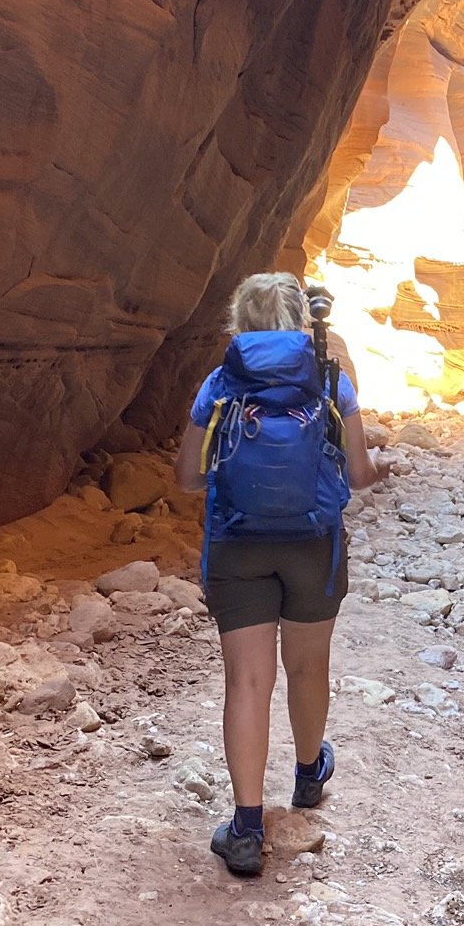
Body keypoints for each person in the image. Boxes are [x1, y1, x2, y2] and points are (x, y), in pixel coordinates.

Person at [175, 273, 390, 877]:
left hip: (237, 545)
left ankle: (245, 830)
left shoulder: (219, 384)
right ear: (301, 323)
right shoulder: (329, 380)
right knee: (307, 665)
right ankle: (305, 776)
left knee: (247, 682)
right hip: (312, 547)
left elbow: (187, 477)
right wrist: (382, 467)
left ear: (237, 325)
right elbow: (356, 475)